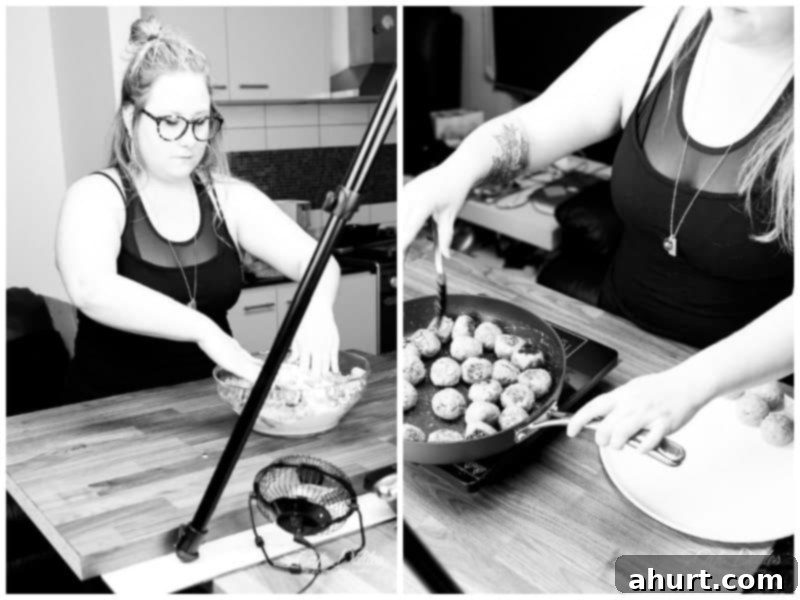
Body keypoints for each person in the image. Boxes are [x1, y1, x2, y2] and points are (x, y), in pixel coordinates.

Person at [400, 6, 794, 452]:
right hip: (618, 351)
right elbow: (532, 127)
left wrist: (690, 383)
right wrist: (457, 169)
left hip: (746, 392)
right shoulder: (662, 30)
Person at [56, 16, 341, 403]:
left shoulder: (229, 198)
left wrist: (318, 308)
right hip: (110, 418)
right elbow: (91, 289)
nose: (189, 140)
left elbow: (320, 263)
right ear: (130, 117)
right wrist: (203, 329)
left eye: (200, 122)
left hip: (208, 410)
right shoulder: (95, 196)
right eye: (170, 122)